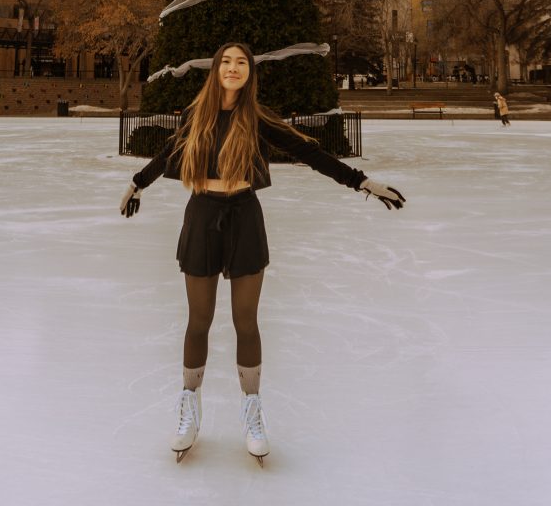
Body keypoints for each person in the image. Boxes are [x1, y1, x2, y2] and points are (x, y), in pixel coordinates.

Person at [119, 42, 405, 466]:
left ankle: (252, 412)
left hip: (244, 218)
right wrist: (137, 183)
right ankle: (188, 409)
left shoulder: (256, 118)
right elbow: (167, 155)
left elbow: (308, 151)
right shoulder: (194, 114)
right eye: (226, 62)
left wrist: (361, 182)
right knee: (199, 321)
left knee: (245, 321)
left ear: (250, 73)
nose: (233, 69)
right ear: (215, 70)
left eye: (242, 64)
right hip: (201, 216)